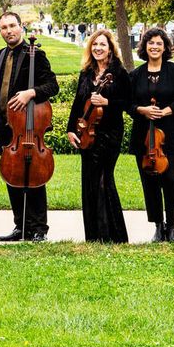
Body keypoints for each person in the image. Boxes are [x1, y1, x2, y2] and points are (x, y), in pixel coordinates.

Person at [0, 12, 59, 242]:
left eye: (12, 26)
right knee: (12, 176)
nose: (8, 31)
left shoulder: (35, 55)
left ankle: (39, 228)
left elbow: (52, 85)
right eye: (3, 27)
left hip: (27, 126)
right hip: (5, 126)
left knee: (34, 176)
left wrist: (31, 92)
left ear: (21, 27)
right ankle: (21, 226)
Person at [126, 28, 174, 242]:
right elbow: (128, 103)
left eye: (159, 43)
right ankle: (157, 225)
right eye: (150, 43)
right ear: (144, 46)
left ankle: (171, 225)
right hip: (143, 137)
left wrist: (167, 110)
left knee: (172, 180)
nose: (154, 46)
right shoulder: (135, 74)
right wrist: (142, 110)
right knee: (150, 181)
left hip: (169, 134)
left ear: (165, 47)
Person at [66, 29, 131, 243]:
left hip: (109, 133)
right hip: (87, 132)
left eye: (102, 45)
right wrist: (70, 130)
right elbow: (78, 103)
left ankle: (114, 235)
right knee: (90, 181)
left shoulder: (119, 72)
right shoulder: (87, 72)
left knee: (104, 178)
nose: (98, 48)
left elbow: (129, 103)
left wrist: (108, 103)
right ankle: (93, 235)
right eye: (94, 45)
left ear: (111, 48)